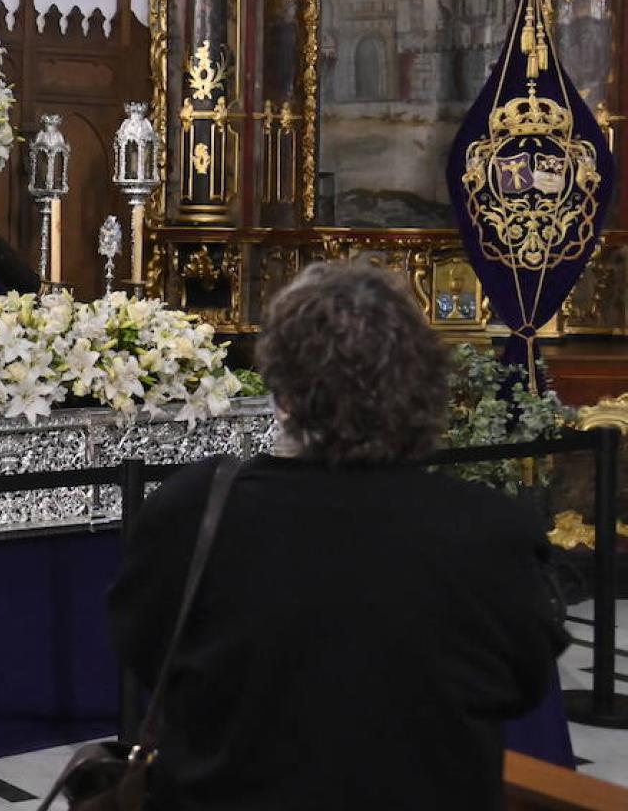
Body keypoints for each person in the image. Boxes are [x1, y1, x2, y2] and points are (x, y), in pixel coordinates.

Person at [107, 261, 566, 810]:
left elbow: (144, 654)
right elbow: (524, 684)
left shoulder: (192, 509)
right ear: (420, 388)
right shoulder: (491, 533)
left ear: (283, 392)